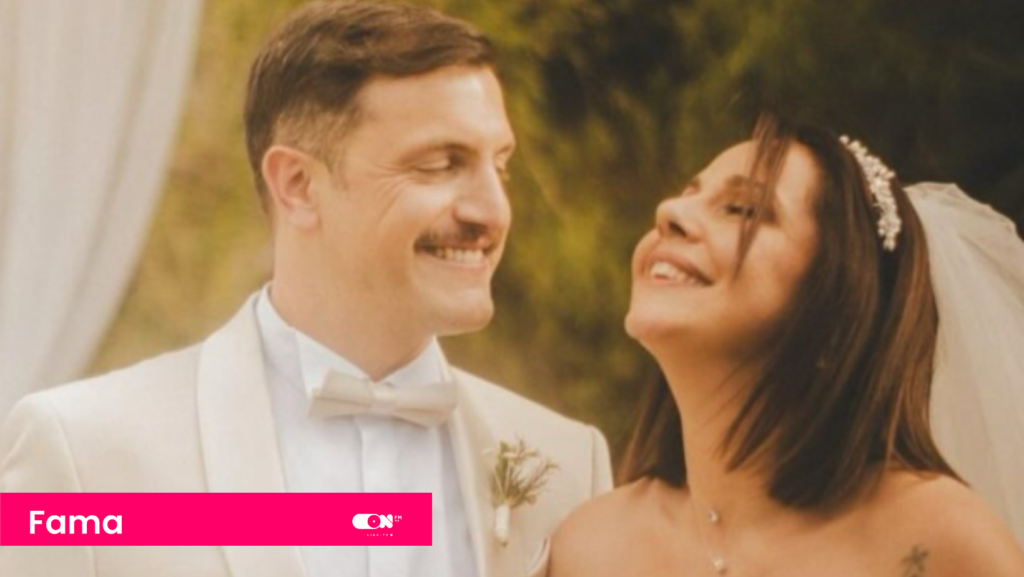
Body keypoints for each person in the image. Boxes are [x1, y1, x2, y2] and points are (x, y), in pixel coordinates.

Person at [0, 2, 612, 576]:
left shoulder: (567, 468)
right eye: (439, 164)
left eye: (499, 165)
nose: (493, 210)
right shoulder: (79, 453)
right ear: (296, 184)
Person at [549, 116, 1024, 576]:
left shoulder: (942, 543)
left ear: (839, 305)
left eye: (741, 209)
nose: (670, 212)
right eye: (687, 194)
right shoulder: (588, 548)